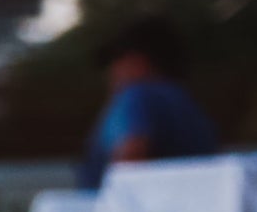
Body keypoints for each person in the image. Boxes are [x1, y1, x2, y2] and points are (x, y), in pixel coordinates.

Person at [78, 16, 221, 190]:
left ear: (137, 60)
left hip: (128, 210)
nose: (110, 73)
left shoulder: (137, 96)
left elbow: (132, 155)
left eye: (116, 60)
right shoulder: (189, 103)